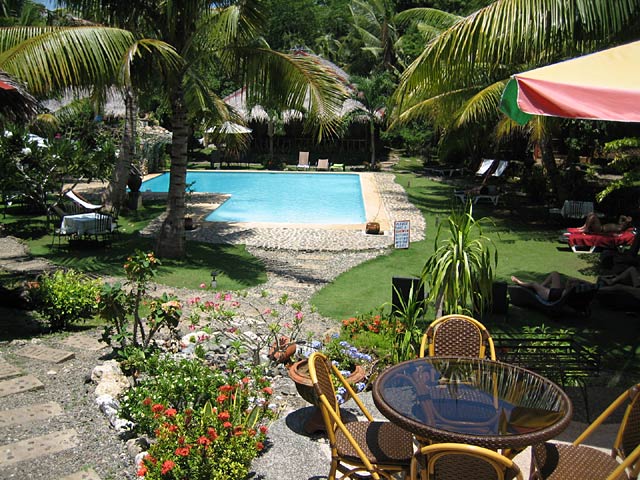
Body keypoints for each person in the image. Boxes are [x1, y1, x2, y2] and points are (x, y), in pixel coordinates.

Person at [511, 272, 583, 302]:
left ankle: (519, 282)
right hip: (558, 292)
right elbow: (569, 284)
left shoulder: (570, 291)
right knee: (554, 273)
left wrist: (571, 282)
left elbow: (569, 283)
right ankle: (541, 286)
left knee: (533, 284)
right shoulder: (575, 290)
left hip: (551, 295)